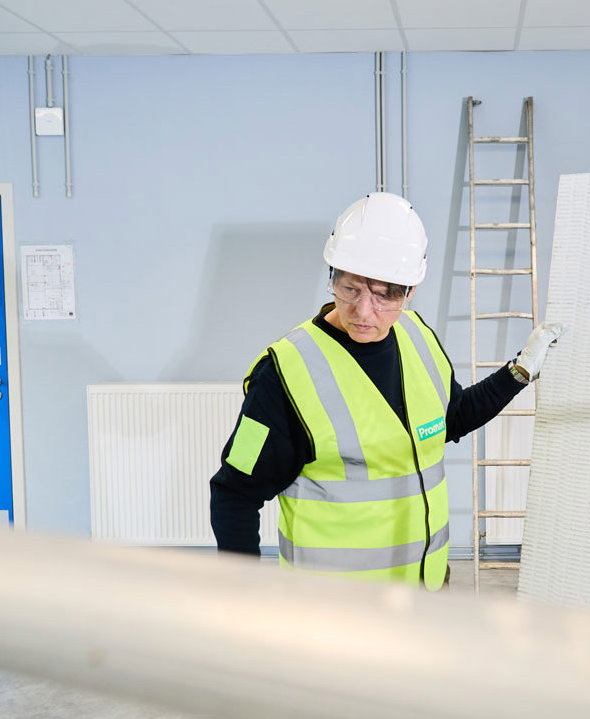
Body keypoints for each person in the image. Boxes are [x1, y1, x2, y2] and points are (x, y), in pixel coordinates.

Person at [209, 192, 563, 591]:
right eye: (350, 288)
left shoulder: (417, 338)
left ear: (410, 292)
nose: (363, 311)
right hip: (335, 613)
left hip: (426, 591)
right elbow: (234, 494)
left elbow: (451, 418)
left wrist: (517, 372)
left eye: (384, 294)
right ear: (333, 276)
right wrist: (242, 598)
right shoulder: (285, 373)